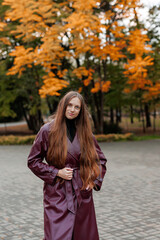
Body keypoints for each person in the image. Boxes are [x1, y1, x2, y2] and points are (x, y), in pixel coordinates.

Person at [27, 91, 107, 240]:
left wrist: (93, 180)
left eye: (77, 107)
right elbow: (33, 161)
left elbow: (100, 160)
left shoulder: (86, 133)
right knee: (56, 235)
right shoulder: (47, 131)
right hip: (57, 193)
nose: (72, 109)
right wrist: (56, 172)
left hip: (81, 193)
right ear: (63, 105)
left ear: (81, 111)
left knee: (83, 236)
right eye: (69, 105)